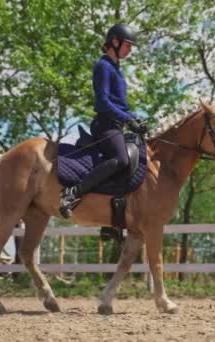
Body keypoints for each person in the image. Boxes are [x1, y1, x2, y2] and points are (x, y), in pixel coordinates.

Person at [60, 24, 147, 218]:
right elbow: (103, 102)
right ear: (114, 42)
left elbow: (121, 105)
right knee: (122, 159)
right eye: (128, 45)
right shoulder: (104, 66)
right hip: (106, 126)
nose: (130, 50)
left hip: (117, 125)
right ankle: (73, 193)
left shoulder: (117, 70)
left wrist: (135, 119)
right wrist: (127, 118)